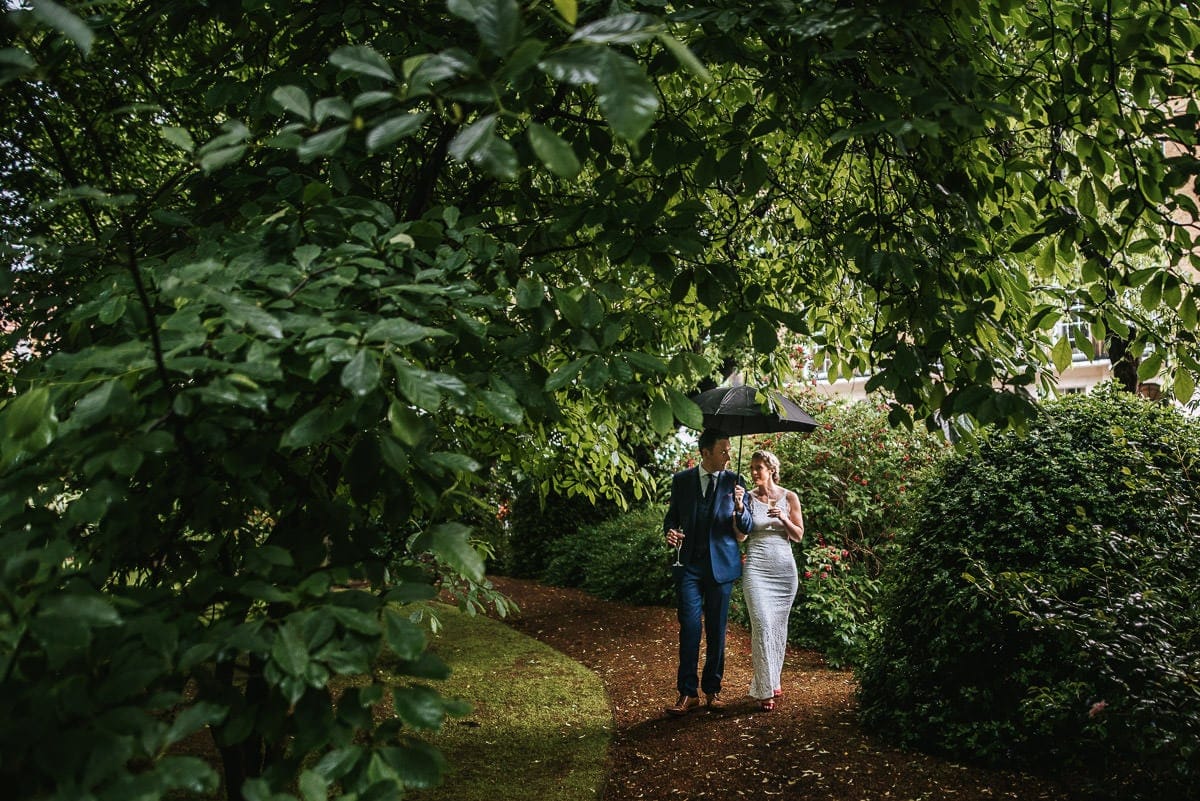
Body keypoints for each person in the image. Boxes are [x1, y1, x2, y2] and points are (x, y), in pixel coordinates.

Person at [663, 429, 754, 716]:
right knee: (689, 627)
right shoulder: (682, 481)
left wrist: (740, 506)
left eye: (729, 450)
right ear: (705, 453)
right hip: (689, 566)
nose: (729, 455)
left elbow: (747, 525)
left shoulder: (736, 481)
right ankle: (687, 693)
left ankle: (713, 690)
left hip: (721, 567)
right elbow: (672, 518)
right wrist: (671, 533)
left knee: (716, 630)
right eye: (723, 450)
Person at [732, 449, 804, 712]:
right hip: (757, 568)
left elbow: (798, 535)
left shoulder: (790, 497)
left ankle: (773, 680)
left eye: (758, 468)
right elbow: (740, 536)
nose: (753, 472)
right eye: (751, 468)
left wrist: (783, 517)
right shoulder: (747, 498)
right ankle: (764, 691)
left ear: (771, 469)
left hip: (784, 570)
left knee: (777, 627)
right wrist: (738, 508)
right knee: (762, 625)